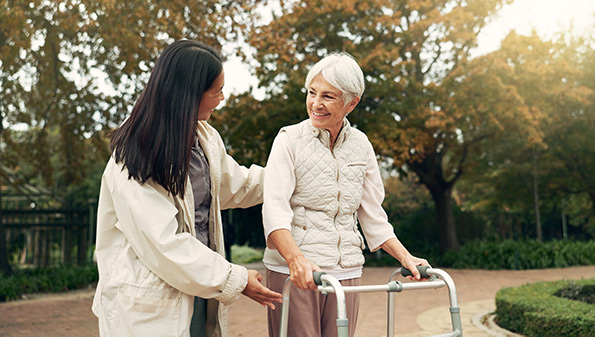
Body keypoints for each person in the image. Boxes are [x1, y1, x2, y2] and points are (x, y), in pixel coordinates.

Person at [92, 39, 282, 337]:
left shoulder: (203, 137)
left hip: (200, 288)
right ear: (190, 93)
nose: (222, 98)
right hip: (151, 302)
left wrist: (294, 174)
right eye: (216, 90)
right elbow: (163, 242)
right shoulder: (134, 152)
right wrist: (236, 278)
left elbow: (238, 186)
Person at [262, 52, 429, 337]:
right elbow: (274, 210)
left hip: (347, 271)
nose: (316, 103)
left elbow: (373, 215)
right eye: (312, 93)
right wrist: (295, 260)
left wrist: (405, 257)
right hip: (299, 274)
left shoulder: (361, 145)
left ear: (352, 102)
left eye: (328, 96)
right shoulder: (288, 139)